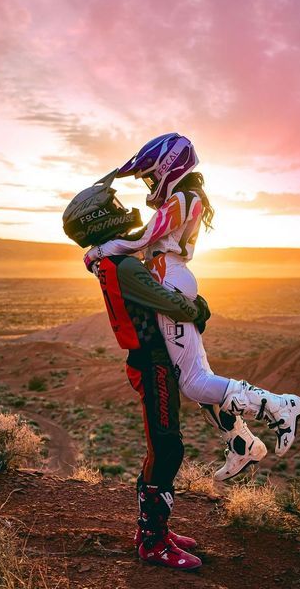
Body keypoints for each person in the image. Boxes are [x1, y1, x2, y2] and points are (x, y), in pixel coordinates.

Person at [83, 134, 300, 478]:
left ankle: (279, 406)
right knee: (198, 378)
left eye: (152, 176)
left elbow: (142, 238)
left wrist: (98, 251)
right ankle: (243, 445)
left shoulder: (183, 199)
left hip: (170, 279)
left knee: (194, 382)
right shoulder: (184, 198)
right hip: (170, 277)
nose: (150, 184)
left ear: (169, 168)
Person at [63, 170, 210, 569]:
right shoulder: (124, 265)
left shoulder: (111, 259)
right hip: (152, 364)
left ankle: (154, 529)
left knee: (161, 447)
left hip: (148, 361)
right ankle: (153, 542)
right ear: (98, 219)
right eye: (111, 207)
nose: (120, 209)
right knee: (167, 448)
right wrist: (196, 308)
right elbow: (172, 304)